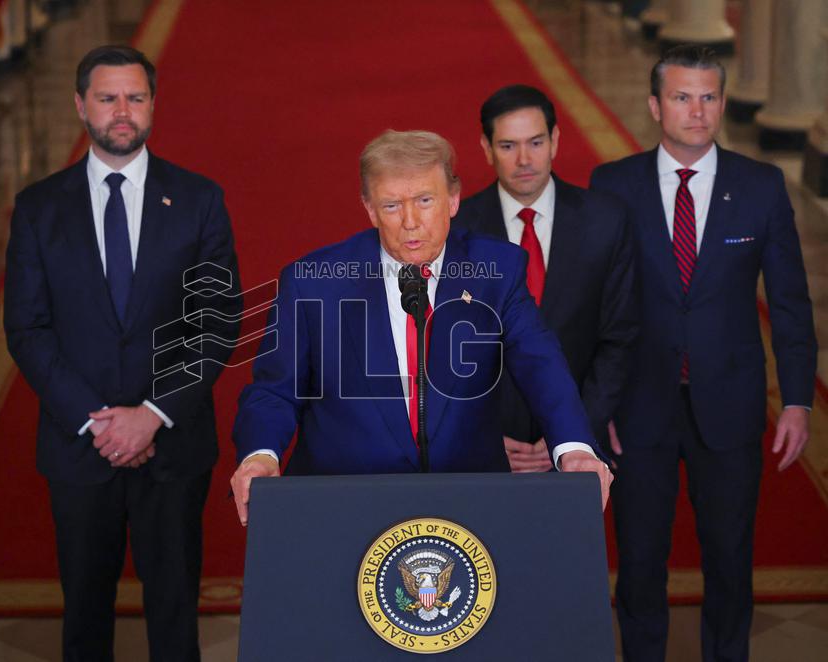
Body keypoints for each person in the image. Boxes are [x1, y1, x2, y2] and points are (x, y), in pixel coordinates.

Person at [229, 129, 612, 526]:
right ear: (370, 209)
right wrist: (260, 455)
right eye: (392, 205)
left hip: (468, 505)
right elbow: (274, 390)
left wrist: (574, 447)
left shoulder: (497, 270)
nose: (411, 222)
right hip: (342, 507)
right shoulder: (313, 281)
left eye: (425, 201)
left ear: (453, 199)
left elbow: (541, 364)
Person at [3, 45, 241, 662]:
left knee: (174, 610)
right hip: (80, 443)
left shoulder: (199, 199)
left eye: (135, 98)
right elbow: (27, 329)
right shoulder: (38, 208)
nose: (122, 112)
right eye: (107, 98)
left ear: (153, 104)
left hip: (173, 443)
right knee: (84, 612)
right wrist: (97, 419)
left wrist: (152, 415)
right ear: (81, 104)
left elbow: (216, 321)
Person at [590, 45, 817, 662]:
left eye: (709, 97)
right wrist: (595, 403)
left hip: (732, 407)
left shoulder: (761, 187)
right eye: (683, 97)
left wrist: (797, 400)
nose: (698, 111)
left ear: (720, 103)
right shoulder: (612, 187)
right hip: (638, 410)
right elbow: (596, 309)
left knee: (729, 559)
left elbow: (792, 303)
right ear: (655, 106)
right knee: (638, 562)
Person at [454, 84, 637, 473]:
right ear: (486, 148)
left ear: (554, 140)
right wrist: (480, 435)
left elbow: (618, 338)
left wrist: (573, 435)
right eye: (507, 146)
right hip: (486, 450)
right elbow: (443, 350)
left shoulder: (606, 221)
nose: (524, 159)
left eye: (536, 142)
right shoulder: (457, 232)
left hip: (579, 452)